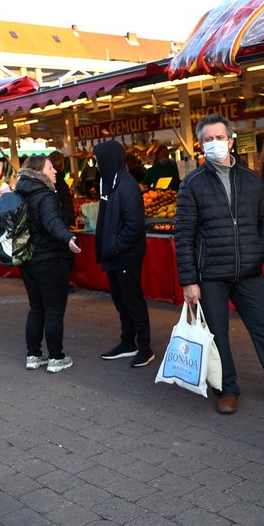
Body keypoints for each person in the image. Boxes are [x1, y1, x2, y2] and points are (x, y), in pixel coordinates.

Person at [175, 113, 264, 414]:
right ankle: (227, 389)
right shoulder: (192, 184)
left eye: (219, 138)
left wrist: (261, 250)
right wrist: (189, 280)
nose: (215, 144)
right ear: (201, 146)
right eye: (208, 140)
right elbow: (183, 235)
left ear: (231, 140)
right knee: (217, 335)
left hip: (249, 272)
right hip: (211, 274)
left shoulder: (251, 180)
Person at [14, 155, 82, 373]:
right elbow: (52, 221)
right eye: (51, 168)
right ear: (39, 172)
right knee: (54, 311)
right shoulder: (45, 195)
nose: (55, 171)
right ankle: (56, 358)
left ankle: (33, 355)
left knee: (36, 309)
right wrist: (67, 237)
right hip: (50, 259)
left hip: (28, 260)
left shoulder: (20, 193)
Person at [93, 140, 154, 368]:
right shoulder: (109, 183)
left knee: (133, 301)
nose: (97, 165)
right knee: (121, 301)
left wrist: (115, 246)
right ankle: (128, 342)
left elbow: (134, 225)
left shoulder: (127, 186)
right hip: (114, 255)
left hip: (125, 255)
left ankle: (145, 347)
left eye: (99, 160)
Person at [48, 151, 76, 228]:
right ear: (60, 162)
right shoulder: (57, 179)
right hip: (62, 219)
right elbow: (61, 199)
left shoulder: (51, 178)